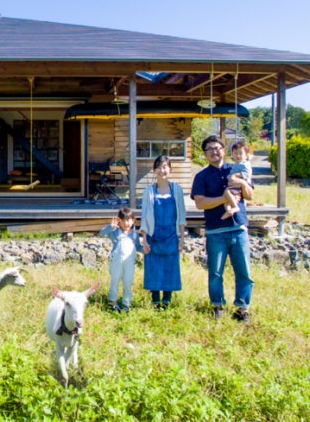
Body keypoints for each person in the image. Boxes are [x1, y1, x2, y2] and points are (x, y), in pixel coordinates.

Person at [191, 135, 255, 323]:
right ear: (204, 154)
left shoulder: (236, 168)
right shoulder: (201, 176)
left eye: (217, 148)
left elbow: (249, 195)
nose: (214, 152)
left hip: (238, 228)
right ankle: (217, 305)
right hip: (215, 231)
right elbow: (200, 203)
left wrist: (242, 183)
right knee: (215, 272)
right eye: (210, 149)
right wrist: (224, 198)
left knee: (244, 271)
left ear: (224, 150)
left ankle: (242, 308)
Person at [140, 155, 187, 310]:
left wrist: (181, 238)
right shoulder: (149, 191)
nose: (162, 170)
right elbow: (145, 216)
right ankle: (155, 301)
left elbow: (181, 215)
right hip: (154, 235)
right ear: (154, 171)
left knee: (170, 267)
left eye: (165, 167)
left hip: (171, 235)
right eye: (159, 167)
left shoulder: (177, 189)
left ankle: (166, 301)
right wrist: (145, 240)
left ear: (170, 169)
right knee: (153, 267)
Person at [99, 207, 143, 313]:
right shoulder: (115, 232)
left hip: (129, 262)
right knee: (115, 280)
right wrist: (110, 227)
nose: (126, 223)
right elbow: (101, 233)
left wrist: (146, 249)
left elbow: (138, 246)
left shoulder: (134, 234)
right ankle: (113, 302)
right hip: (116, 261)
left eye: (128, 220)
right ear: (119, 221)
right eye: (123, 221)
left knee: (128, 281)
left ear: (133, 220)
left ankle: (126, 303)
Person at [221, 140, 253, 220]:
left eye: (240, 153)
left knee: (227, 192)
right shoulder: (236, 164)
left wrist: (235, 175)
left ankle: (235, 207)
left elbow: (247, 174)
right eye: (235, 153)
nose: (238, 155)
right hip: (234, 185)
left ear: (246, 155)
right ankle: (229, 212)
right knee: (226, 200)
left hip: (239, 186)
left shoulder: (245, 164)